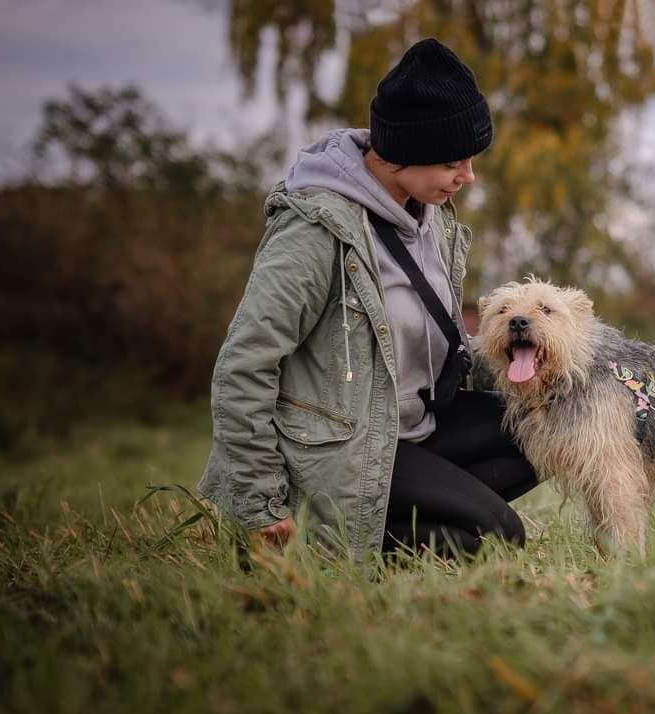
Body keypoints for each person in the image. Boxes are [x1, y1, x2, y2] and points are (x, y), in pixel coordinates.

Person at [197, 38, 538, 559]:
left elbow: (437, 344)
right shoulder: (314, 232)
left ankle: (408, 510)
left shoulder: (431, 216)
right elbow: (244, 366)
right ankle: (324, 538)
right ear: (404, 152)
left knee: (549, 429)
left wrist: (580, 369)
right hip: (344, 448)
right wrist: (259, 505)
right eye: (454, 161)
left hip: (414, 427)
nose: (467, 177)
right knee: (496, 539)